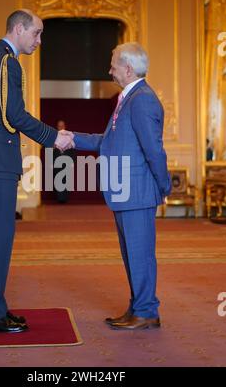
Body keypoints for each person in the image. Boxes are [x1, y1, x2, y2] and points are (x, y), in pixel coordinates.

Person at [0, 9, 73, 333]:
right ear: (19, 29)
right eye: (36, 33)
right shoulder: (8, 62)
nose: (39, 41)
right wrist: (53, 137)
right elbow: (15, 115)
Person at [64, 43, 171, 330]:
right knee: (132, 255)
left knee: (140, 254)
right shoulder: (128, 99)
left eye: (112, 65)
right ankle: (139, 307)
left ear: (128, 68)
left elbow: (154, 150)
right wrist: (73, 137)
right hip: (127, 191)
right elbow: (108, 141)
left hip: (136, 191)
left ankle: (147, 310)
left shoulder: (142, 100)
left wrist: (163, 186)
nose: (109, 70)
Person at [53, 120, 75, 203]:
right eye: (59, 126)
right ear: (57, 127)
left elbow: (73, 150)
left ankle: (64, 198)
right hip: (56, 162)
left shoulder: (69, 137)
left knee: (66, 180)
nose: (61, 128)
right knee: (57, 180)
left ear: (65, 127)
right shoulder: (53, 137)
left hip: (67, 162)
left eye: (62, 126)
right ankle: (60, 198)